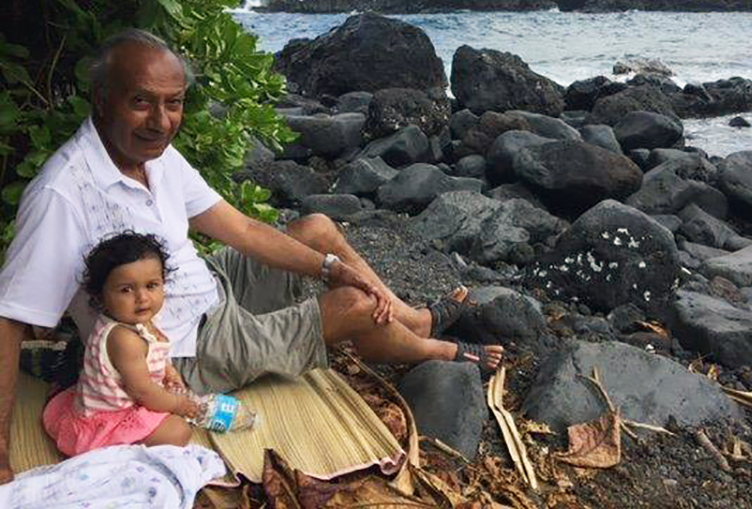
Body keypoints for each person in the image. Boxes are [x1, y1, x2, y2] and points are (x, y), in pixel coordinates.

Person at [0, 29, 502, 483]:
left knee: (317, 230)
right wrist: (1, 455)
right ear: (101, 98)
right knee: (354, 304)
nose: (161, 121)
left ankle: (411, 320)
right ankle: (434, 349)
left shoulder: (155, 156)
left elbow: (240, 229)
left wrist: (330, 267)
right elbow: (9, 320)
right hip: (185, 347)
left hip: (207, 286)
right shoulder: (62, 194)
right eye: (141, 102)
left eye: (174, 103)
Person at [43, 232, 200, 455]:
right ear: (100, 296)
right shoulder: (123, 339)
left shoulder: (139, 319)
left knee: (170, 408)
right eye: (126, 289)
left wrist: (168, 370)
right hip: (110, 417)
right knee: (179, 431)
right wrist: (177, 405)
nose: (142, 297)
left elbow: (150, 358)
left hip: (131, 395)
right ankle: (116, 450)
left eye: (151, 285)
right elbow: (142, 391)